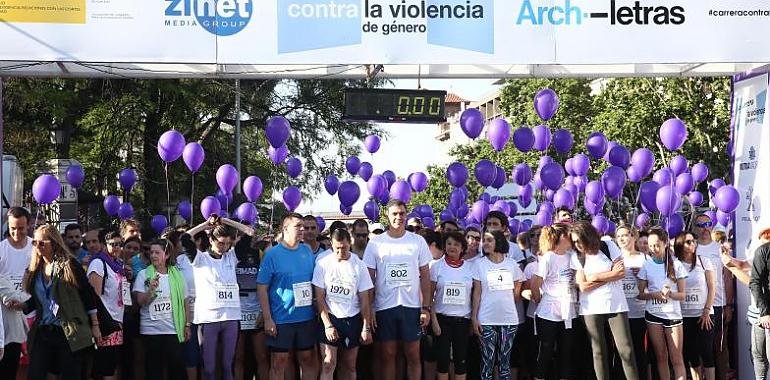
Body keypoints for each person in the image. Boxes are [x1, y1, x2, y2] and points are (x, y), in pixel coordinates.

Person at [364, 199, 432, 380]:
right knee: (388, 355)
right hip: (385, 307)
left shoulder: (417, 241)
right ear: (387, 215)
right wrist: (370, 308)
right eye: (394, 214)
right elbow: (368, 280)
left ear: (406, 215)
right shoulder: (376, 243)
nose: (398, 217)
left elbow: (425, 276)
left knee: (413, 354)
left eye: (402, 213)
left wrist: (426, 307)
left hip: (411, 307)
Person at [24, 224, 100, 380]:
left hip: (69, 330)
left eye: (42, 242)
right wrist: (21, 305)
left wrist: (95, 325)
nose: (37, 246)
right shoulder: (35, 269)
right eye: (34, 242)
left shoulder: (69, 265)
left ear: (54, 243)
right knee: (35, 374)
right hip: (44, 330)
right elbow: (38, 300)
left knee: (70, 374)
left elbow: (88, 295)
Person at [570, 221, 638, 380]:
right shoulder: (576, 256)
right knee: (598, 352)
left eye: (579, 240)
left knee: (626, 350)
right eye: (574, 241)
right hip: (591, 309)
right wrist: (609, 275)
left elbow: (620, 273)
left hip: (616, 305)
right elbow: (583, 286)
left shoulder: (608, 246)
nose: (577, 244)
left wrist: (594, 277)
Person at [257, 213, 319, 380]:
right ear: (285, 229)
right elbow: (262, 288)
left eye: (303, 227)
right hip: (281, 319)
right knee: (279, 362)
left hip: (306, 317)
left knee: (308, 359)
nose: (302, 230)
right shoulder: (272, 255)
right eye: (297, 226)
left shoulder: (306, 250)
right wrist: (268, 318)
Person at [186, 216, 242, 380]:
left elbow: (250, 232)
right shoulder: (199, 258)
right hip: (208, 319)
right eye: (220, 243)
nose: (223, 247)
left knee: (227, 366)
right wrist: (206, 224)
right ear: (210, 239)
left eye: (227, 243)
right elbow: (185, 237)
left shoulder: (231, 257)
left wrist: (226, 221)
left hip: (230, 317)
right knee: (209, 368)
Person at [313, 229, 373, 380]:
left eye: (344, 248)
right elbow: (319, 297)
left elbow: (364, 299)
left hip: (352, 318)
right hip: (331, 317)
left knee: (349, 365)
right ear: (332, 245)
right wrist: (327, 324)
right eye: (337, 248)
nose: (341, 252)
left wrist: (366, 327)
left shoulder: (359, 265)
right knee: (328, 363)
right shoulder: (322, 264)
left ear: (349, 244)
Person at [133, 239, 191, 380]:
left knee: (176, 368)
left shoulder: (177, 275)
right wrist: (151, 290)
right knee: (154, 370)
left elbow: (185, 302)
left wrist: (187, 324)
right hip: (151, 330)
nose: (153, 255)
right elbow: (140, 302)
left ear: (166, 254)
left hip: (172, 330)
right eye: (151, 252)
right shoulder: (144, 275)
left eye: (157, 252)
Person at [471, 230, 524, 380]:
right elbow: (477, 292)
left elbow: (517, 287)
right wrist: (474, 318)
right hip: (486, 319)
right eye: (484, 240)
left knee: (505, 362)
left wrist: (507, 301)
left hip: (509, 320)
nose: (485, 243)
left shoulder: (512, 264)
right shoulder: (479, 264)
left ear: (499, 242)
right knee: (487, 361)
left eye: (489, 240)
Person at [637, 227, 688, 380]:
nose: (653, 248)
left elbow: (683, 295)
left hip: (673, 316)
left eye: (657, 244)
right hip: (653, 315)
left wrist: (670, 294)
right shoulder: (646, 265)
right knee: (660, 356)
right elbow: (640, 294)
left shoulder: (677, 265)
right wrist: (655, 294)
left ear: (665, 243)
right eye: (650, 245)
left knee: (677, 359)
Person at [530, 223, 577, 380]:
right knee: (546, 351)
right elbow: (535, 284)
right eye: (568, 234)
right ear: (562, 236)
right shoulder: (548, 257)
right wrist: (540, 301)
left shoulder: (572, 256)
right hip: (548, 311)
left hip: (569, 310)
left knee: (566, 352)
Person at [692, 213, 733, 380]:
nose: (704, 228)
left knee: (721, 346)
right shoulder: (691, 247)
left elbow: (728, 277)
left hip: (719, 305)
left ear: (712, 225)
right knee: (701, 348)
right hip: (698, 307)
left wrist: (728, 306)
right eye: (700, 225)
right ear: (695, 228)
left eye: (707, 223)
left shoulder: (720, 248)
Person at [429, 231, 472, 380]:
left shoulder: (471, 268)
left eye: (456, 244)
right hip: (442, 319)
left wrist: (473, 320)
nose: (452, 247)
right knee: (442, 360)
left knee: (461, 360)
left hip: (463, 320)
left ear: (462, 248)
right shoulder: (436, 267)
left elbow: (475, 296)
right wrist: (434, 321)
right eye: (449, 243)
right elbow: (429, 297)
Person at [673, 231, 716, 380]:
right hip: (683, 316)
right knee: (691, 354)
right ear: (680, 245)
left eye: (693, 241)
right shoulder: (674, 263)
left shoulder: (704, 261)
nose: (693, 244)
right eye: (688, 242)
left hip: (704, 315)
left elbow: (712, 288)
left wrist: (706, 310)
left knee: (707, 352)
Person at [87, 229, 128, 380]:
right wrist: (96, 325)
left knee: (111, 365)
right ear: (104, 245)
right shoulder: (98, 263)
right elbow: (94, 297)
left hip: (117, 320)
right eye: (113, 244)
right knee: (104, 368)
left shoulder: (118, 264)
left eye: (119, 244)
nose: (117, 247)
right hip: (105, 323)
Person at [0, 207, 32, 379]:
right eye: (13, 228)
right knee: (9, 363)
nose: (17, 232)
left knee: (31, 366)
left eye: (21, 228)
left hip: (32, 312)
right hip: (8, 319)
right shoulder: (1, 249)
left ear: (29, 225)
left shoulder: (36, 247)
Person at [234, 226, 269, 380]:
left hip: (256, 310)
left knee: (261, 356)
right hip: (237, 312)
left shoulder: (259, 255)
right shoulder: (231, 256)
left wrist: (264, 311)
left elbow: (266, 284)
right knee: (238, 356)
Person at [616, 224, 649, 380]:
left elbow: (655, 283)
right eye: (619, 236)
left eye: (625, 235)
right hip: (618, 312)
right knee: (621, 351)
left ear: (634, 236)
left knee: (638, 350)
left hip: (639, 311)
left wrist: (642, 276)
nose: (622, 238)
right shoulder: (614, 257)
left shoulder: (644, 258)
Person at [748, 228, 770, 380]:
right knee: (759, 354)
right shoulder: (763, 251)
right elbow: (755, 282)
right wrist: (765, 312)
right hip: (764, 314)